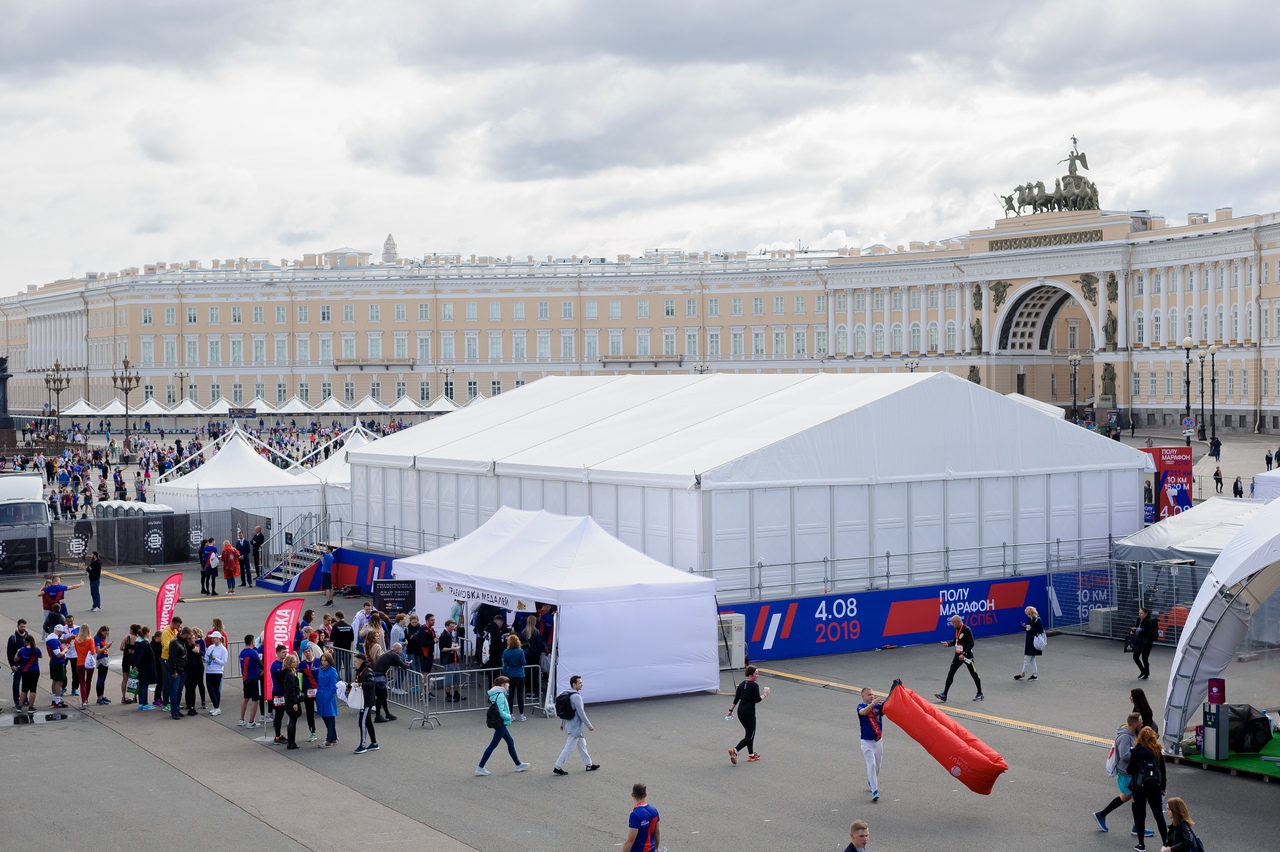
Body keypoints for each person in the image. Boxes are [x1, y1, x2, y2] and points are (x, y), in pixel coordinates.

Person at [1093, 712, 1154, 839]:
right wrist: (1139, 754)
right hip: (1126, 773)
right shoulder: (1125, 737)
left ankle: (1103, 815)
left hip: (1129, 772)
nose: (1142, 724)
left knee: (1129, 797)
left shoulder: (1130, 734)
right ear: (1135, 724)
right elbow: (1125, 755)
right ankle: (1136, 827)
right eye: (1141, 722)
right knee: (1133, 798)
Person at [475, 675, 530, 775]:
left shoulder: (496, 693)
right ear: (503, 684)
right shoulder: (500, 695)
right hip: (501, 722)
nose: (509, 685)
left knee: (510, 742)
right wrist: (508, 716)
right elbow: (501, 710)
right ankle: (480, 766)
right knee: (493, 745)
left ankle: (518, 764)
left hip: (500, 722)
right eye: (507, 683)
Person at [1129, 726, 1168, 849]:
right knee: (1158, 816)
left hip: (1139, 787)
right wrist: (1163, 787)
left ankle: (1141, 844)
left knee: (1141, 815)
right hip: (1155, 787)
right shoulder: (1157, 751)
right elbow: (1163, 771)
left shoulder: (1136, 752)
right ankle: (1166, 844)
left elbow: (1130, 770)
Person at [553, 674, 599, 775]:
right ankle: (558, 766)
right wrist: (589, 725)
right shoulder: (577, 697)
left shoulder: (566, 694)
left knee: (582, 745)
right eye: (580, 683)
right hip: (575, 727)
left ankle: (589, 764)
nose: (582, 684)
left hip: (570, 724)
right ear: (574, 684)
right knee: (569, 748)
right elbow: (581, 713)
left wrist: (562, 723)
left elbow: (565, 710)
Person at [934, 615, 983, 702]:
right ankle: (944, 694)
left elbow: (971, 644)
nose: (952, 624)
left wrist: (964, 654)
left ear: (957, 622)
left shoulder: (967, 630)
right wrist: (948, 644)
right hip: (958, 655)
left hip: (967, 656)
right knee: (951, 673)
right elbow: (956, 642)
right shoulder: (956, 629)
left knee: (974, 674)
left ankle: (980, 693)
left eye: (953, 623)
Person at [727, 664, 769, 764]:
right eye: (756, 674)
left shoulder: (741, 685)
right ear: (751, 674)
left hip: (740, 712)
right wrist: (765, 694)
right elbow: (757, 700)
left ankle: (751, 755)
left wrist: (730, 711)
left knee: (749, 734)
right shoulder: (754, 685)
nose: (757, 675)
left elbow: (736, 699)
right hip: (749, 713)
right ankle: (735, 750)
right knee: (750, 735)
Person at [856, 687, 884, 802]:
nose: (871, 696)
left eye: (872, 694)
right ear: (863, 697)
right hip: (867, 742)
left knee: (877, 767)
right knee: (871, 765)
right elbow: (864, 712)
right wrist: (873, 703)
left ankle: (871, 781)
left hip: (878, 741)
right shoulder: (861, 706)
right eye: (868, 695)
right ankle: (874, 790)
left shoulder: (878, 706)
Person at [372, 642, 407, 722]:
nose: (401, 651)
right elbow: (403, 666)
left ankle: (387, 713)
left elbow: (392, 663)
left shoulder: (388, 653)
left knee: (382, 696)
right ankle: (378, 716)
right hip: (380, 677)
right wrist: (407, 665)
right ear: (398, 649)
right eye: (401, 649)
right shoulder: (394, 655)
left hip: (376, 676)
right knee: (381, 697)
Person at [352, 652, 379, 754]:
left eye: (356, 662)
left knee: (362, 722)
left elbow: (371, 683)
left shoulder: (368, 671)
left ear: (361, 662)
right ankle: (374, 743)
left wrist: (359, 684)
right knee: (368, 722)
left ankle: (362, 745)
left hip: (367, 701)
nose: (354, 664)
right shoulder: (359, 672)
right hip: (362, 700)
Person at [624, 783, 660, 852]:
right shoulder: (654, 810)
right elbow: (657, 832)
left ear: (632, 794)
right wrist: (656, 848)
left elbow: (630, 840)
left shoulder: (635, 815)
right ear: (646, 795)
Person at [315, 651, 339, 748]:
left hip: (328, 696)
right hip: (321, 695)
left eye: (325, 660)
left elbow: (333, 686)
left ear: (329, 661)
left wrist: (328, 696)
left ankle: (329, 740)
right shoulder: (320, 669)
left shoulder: (332, 671)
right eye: (322, 660)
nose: (323, 662)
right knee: (325, 717)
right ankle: (333, 737)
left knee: (329, 718)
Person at [502, 633, 528, 720]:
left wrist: (505, 673)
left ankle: (511, 714)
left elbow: (504, 664)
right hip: (520, 674)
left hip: (510, 674)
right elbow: (523, 663)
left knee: (511, 696)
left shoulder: (506, 652)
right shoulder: (520, 651)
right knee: (520, 695)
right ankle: (521, 715)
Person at [238, 635, 262, 728]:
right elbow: (260, 664)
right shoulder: (253, 652)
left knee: (245, 698)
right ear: (252, 642)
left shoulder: (242, 653)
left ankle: (241, 719)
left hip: (245, 678)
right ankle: (251, 722)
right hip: (254, 678)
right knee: (255, 700)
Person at [280, 653, 303, 750]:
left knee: (292, 720)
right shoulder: (290, 675)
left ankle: (291, 742)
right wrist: (295, 703)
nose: (295, 663)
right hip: (291, 700)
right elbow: (291, 690)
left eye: (296, 661)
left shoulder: (287, 673)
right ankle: (291, 742)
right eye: (293, 662)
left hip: (289, 699)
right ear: (289, 663)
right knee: (292, 721)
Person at [1015, 605, 1045, 681]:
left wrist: (1031, 628)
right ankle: (1034, 674)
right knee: (1031, 659)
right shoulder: (1030, 619)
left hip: (1034, 642)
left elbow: (1040, 630)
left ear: (1031, 613)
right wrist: (1025, 627)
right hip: (1030, 641)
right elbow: (1030, 629)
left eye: (1028, 614)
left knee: (1027, 658)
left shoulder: (1037, 620)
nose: (1027, 615)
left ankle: (1023, 673)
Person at [14, 634, 42, 711]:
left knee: (24, 689)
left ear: (26, 642)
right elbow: (41, 656)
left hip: (26, 671)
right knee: (33, 689)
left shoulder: (22, 650)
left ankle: (19, 707)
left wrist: (17, 652)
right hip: (35, 670)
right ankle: (30, 707)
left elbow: (16, 659)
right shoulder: (36, 650)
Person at [168, 626, 190, 720]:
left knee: (179, 691)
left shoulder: (183, 642)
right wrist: (174, 671)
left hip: (183, 669)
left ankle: (177, 709)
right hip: (177, 670)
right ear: (185, 634)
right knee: (174, 691)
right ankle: (174, 711)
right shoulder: (174, 643)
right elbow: (172, 659)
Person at [8, 619, 30, 709]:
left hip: (27, 664)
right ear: (17, 626)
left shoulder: (28, 636)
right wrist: (12, 664)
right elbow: (9, 653)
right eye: (21, 626)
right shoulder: (13, 638)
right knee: (16, 683)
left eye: (24, 626)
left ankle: (24, 698)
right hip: (17, 664)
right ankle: (17, 700)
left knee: (26, 683)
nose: (23, 628)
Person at [299, 644, 320, 741]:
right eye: (305, 652)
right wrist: (300, 690)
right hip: (307, 690)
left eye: (309, 651)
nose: (307, 653)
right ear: (303, 653)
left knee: (323, 711)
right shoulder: (302, 664)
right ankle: (312, 731)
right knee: (309, 712)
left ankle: (331, 731)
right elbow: (300, 678)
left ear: (312, 652)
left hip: (318, 689)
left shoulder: (318, 662)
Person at [440, 618, 463, 703]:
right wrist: (452, 648)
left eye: (454, 626)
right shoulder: (443, 636)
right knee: (449, 678)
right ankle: (448, 695)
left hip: (455, 659)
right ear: (447, 626)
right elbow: (442, 649)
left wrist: (454, 646)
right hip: (448, 660)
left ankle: (456, 694)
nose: (453, 628)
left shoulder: (451, 634)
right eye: (451, 626)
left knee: (457, 677)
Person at [133, 627, 156, 710]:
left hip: (140, 667)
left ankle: (141, 703)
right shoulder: (145, 644)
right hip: (145, 667)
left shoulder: (138, 643)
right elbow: (142, 656)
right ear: (146, 633)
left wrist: (136, 665)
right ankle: (144, 703)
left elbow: (137, 655)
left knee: (141, 685)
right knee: (144, 685)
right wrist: (138, 665)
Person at [204, 631, 227, 716]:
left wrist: (215, 659)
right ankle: (216, 706)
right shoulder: (210, 647)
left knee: (215, 690)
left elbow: (223, 662)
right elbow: (207, 658)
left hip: (217, 671)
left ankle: (217, 707)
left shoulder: (223, 649)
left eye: (214, 638)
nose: (212, 639)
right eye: (212, 638)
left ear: (219, 639)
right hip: (209, 671)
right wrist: (204, 659)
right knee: (210, 689)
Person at [73, 625, 94, 710]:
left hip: (80, 662)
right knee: (88, 681)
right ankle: (86, 699)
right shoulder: (90, 640)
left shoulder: (76, 640)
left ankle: (83, 701)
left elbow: (77, 651)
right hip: (88, 663)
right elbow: (93, 652)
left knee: (82, 683)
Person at [1131, 607, 1156, 680]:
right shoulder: (1139, 620)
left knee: (1144, 658)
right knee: (1135, 657)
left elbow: (1146, 633)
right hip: (1139, 641)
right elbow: (1136, 627)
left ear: (1146, 614)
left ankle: (1146, 673)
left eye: (1141, 613)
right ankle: (1143, 671)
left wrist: (1137, 630)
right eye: (1139, 613)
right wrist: (1132, 631)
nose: (1140, 615)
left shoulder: (1148, 621)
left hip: (1146, 642)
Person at [331, 610, 355, 682]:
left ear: (337, 617)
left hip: (337, 649)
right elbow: (352, 638)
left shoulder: (335, 626)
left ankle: (337, 683)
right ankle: (348, 684)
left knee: (337, 668)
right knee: (348, 668)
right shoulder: (349, 627)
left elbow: (331, 638)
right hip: (347, 650)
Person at [92, 626, 112, 705]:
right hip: (101, 660)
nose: (106, 635)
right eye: (105, 633)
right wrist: (106, 646)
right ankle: (99, 697)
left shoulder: (103, 638)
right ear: (101, 631)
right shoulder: (97, 638)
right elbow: (98, 651)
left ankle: (102, 695)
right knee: (100, 679)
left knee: (104, 679)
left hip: (106, 659)